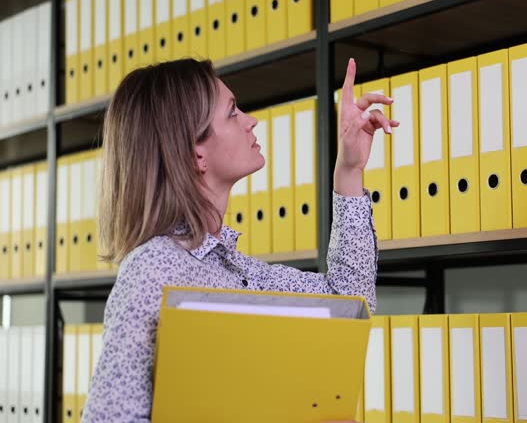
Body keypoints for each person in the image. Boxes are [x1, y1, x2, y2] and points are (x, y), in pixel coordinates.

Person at [81, 57, 397, 422]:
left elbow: (350, 305)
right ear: (195, 152)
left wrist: (349, 170)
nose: (251, 120)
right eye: (232, 112)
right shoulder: (152, 269)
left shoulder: (238, 271)